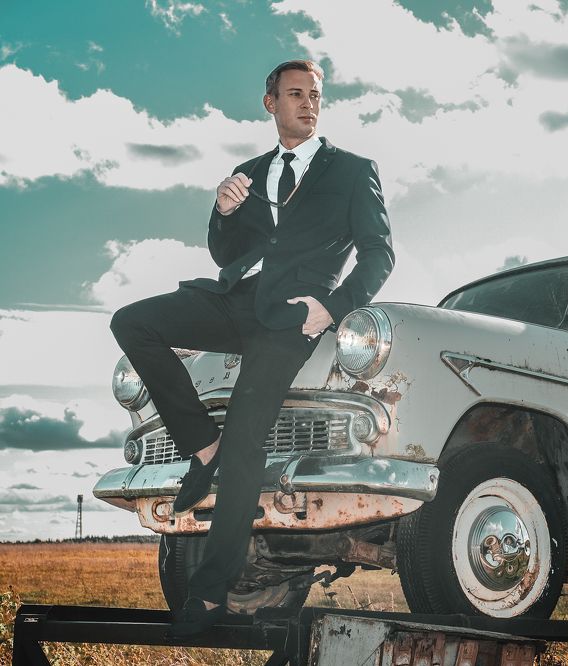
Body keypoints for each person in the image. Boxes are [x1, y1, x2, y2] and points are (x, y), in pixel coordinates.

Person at [110, 59, 394, 638]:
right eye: (296, 94)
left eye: (315, 95)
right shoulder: (249, 172)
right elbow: (226, 252)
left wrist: (332, 308)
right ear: (271, 103)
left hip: (291, 319)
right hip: (235, 299)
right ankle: (201, 446)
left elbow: (379, 253)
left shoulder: (353, 170)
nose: (308, 104)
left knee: (245, 440)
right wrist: (223, 210)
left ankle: (209, 594)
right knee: (132, 323)